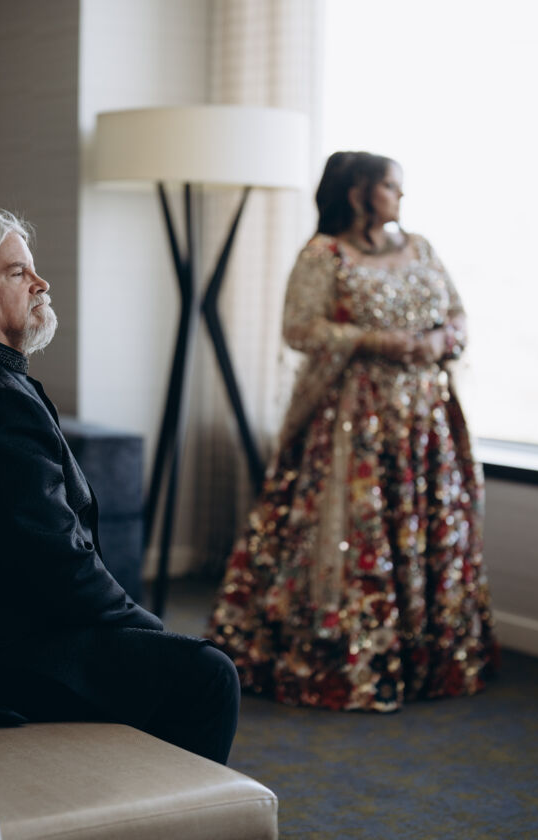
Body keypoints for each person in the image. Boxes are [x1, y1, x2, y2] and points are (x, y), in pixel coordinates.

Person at [0, 208, 238, 764]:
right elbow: (55, 559)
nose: (41, 284)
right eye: (18, 273)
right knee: (208, 674)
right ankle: (183, 809)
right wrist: (147, 628)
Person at [206, 152, 499, 712]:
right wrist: (372, 340)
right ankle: (347, 658)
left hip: (424, 419)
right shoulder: (325, 254)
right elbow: (298, 328)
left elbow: (458, 316)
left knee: (426, 522)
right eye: (390, 186)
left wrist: (438, 341)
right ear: (358, 192)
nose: (400, 196)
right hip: (353, 419)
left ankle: (428, 655)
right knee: (354, 529)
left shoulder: (421, 247)